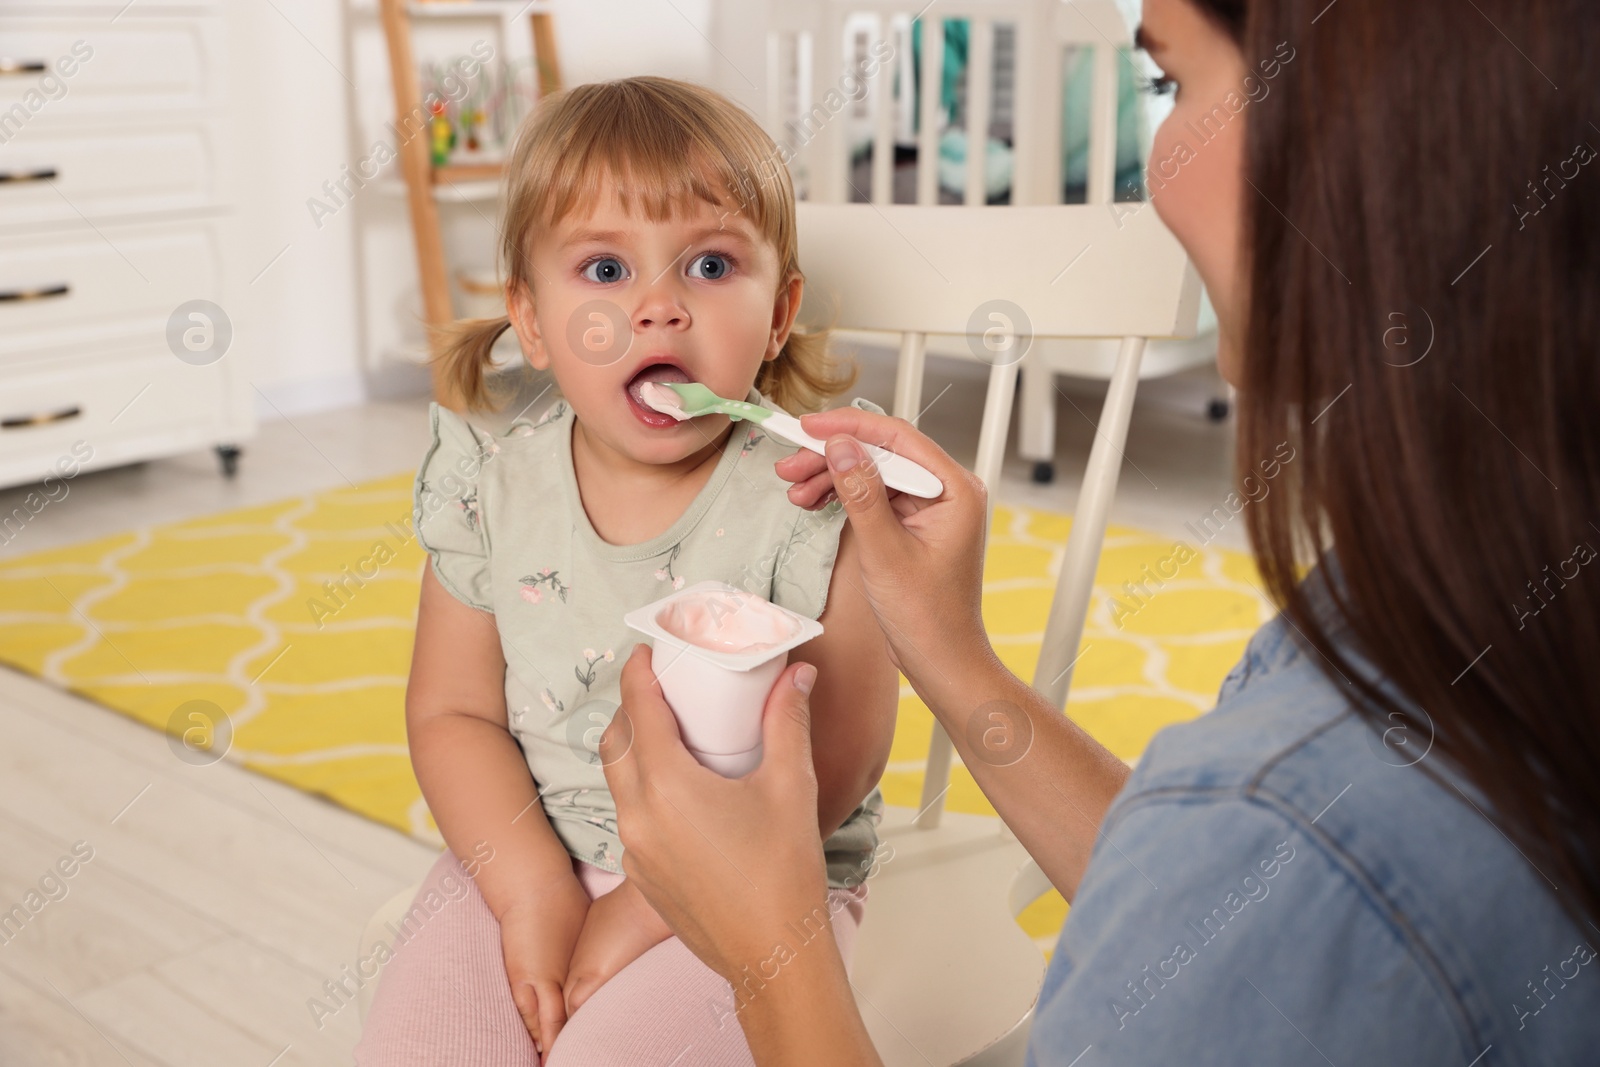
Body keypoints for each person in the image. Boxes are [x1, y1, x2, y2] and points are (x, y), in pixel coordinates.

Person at [600, 0, 1600, 1063]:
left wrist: (770, 952)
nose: (1160, 170)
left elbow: (1273, 879)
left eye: (1171, 85)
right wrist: (948, 650)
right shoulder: (1426, 634)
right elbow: (1219, 901)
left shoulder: (1307, 819)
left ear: (1376, 134)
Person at [355, 77, 899, 1066]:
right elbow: (453, 713)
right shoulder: (492, 482)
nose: (656, 307)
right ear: (529, 316)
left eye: (709, 263)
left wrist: (637, 912)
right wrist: (531, 887)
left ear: (777, 315)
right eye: (604, 267)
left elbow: (846, 753)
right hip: (526, 847)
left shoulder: (815, 501)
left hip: (757, 881)